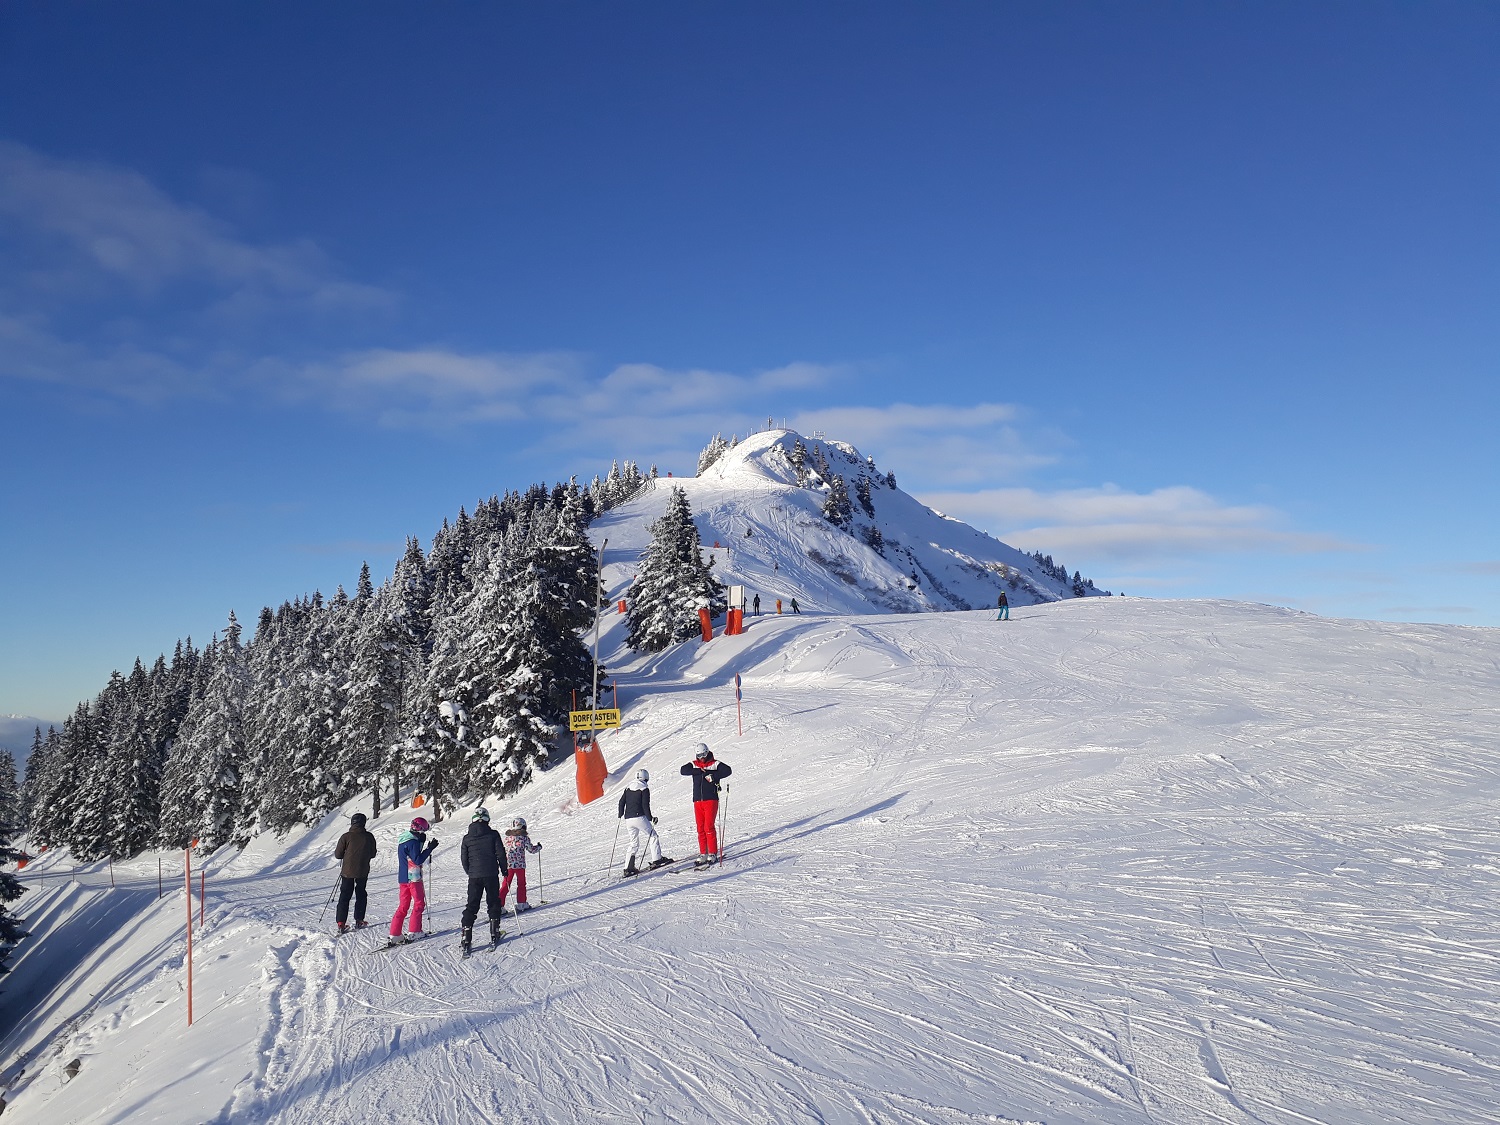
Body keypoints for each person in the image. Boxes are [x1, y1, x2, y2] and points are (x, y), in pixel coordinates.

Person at [459, 807, 507, 952]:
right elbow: (501, 853)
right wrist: (504, 869)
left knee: (472, 904)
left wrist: (470, 872)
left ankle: (466, 937)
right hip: (491, 874)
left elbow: (464, 859)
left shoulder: (467, 838)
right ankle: (494, 931)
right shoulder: (493, 835)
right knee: (493, 901)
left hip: (474, 876)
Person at [387, 816, 438, 945]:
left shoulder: (403, 840)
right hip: (414, 878)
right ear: (420, 829)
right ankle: (414, 931)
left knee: (403, 906)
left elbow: (411, 854)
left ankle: (395, 934)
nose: (424, 833)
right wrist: (429, 849)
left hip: (403, 878)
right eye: (424, 830)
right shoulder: (413, 842)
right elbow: (418, 859)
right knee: (419, 903)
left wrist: (421, 843)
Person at [680, 743, 732, 867]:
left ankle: (712, 852)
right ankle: (703, 853)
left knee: (708, 826)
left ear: (707, 752)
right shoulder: (694, 764)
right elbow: (683, 770)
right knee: (700, 827)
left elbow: (728, 770)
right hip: (697, 800)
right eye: (699, 756)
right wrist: (699, 771)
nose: (701, 758)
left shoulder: (715, 763)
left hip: (711, 799)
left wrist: (713, 775)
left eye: (703, 755)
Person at [618, 769, 673, 876]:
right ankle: (657, 859)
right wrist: (651, 818)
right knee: (653, 836)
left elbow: (621, 802)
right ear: (646, 778)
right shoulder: (644, 788)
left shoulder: (628, 787)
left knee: (633, 842)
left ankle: (628, 868)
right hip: (639, 817)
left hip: (628, 819)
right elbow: (645, 806)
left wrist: (620, 814)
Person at [333, 811, 378, 934]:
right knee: (361, 894)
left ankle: (341, 924)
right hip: (363, 870)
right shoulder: (369, 836)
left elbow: (338, 855)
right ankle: (359, 920)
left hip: (347, 871)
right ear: (363, 823)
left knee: (344, 896)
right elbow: (373, 854)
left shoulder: (346, 836)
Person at [500, 817, 543, 914]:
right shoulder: (524, 838)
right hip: (520, 865)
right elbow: (531, 849)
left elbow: (503, 849)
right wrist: (539, 847)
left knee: (506, 884)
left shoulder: (507, 838)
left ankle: (499, 905)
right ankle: (521, 903)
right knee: (521, 884)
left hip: (509, 865)